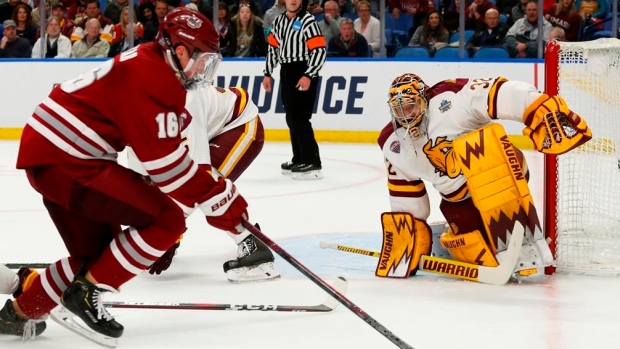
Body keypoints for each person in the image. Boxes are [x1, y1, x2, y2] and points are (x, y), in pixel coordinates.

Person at [0, 8, 249, 346]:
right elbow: (170, 170)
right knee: (169, 221)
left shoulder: (150, 62)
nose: (205, 70)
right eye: (202, 59)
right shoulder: (156, 80)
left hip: (53, 157)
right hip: (70, 160)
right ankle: (86, 294)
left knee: (97, 257)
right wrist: (220, 197)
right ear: (180, 51)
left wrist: (205, 196)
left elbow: (158, 161)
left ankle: (19, 313)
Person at [376, 73, 591, 281]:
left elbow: (499, 92)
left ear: (424, 99)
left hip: (501, 169)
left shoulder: (450, 98)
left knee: (481, 151)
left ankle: (525, 244)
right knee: (476, 251)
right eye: (399, 109)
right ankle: (445, 236)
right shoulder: (391, 143)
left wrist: (539, 108)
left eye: (410, 106)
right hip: (459, 200)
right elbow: (408, 202)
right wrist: (407, 238)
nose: (406, 115)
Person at [128, 83, 280, 282]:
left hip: (239, 124)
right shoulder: (134, 121)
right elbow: (144, 185)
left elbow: (198, 179)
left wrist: (170, 234)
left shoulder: (184, 103)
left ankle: (251, 244)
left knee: (207, 186)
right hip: (209, 128)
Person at [263, 0, 326, 179]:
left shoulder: (308, 21)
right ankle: (299, 158)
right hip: (286, 71)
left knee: (300, 117)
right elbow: (273, 49)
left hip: (303, 70)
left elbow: (319, 51)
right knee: (291, 116)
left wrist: (309, 74)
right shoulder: (278, 21)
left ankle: (313, 161)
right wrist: (268, 72)